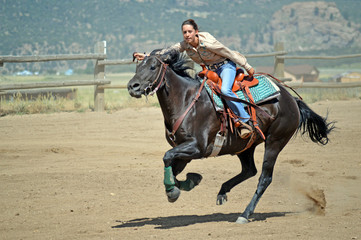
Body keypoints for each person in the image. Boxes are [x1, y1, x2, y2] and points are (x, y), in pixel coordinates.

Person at [134, 19, 254, 138]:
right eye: (184, 32)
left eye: (190, 31)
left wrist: (247, 66)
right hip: (210, 70)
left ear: (196, 31)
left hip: (225, 67)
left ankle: (244, 119)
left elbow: (228, 53)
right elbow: (168, 52)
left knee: (225, 91)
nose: (187, 35)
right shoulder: (185, 45)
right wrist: (147, 56)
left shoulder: (207, 43)